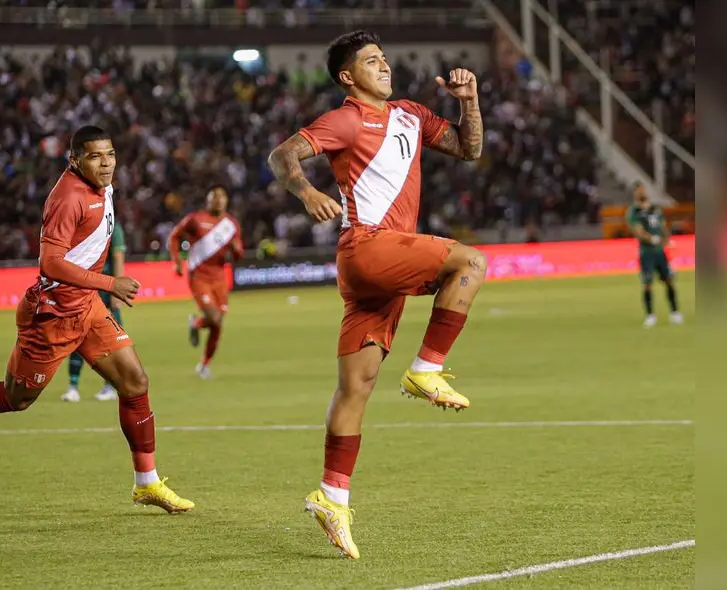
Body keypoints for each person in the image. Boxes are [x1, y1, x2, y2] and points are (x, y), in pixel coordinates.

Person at [267, 30, 487, 559]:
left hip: (381, 263)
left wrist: (470, 102)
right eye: (371, 61)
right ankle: (428, 368)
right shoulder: (345, 118)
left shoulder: (411, 112)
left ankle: (332, 496)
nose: (384, 65)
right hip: (369, 246)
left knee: (356, 388)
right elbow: (283, 155)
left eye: (385, 58)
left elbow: (468, 148)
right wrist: (307, 190)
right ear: (349, 77)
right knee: (471, 261)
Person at [0, 126, 195, 514]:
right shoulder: (68, 198)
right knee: (15, 398)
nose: (106, 163)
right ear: (74, 160)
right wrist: (110, 282)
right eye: (95, 156)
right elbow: (50, 263)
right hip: (53, 314)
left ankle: (147, 483)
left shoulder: (102, 185)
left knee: (135, 382)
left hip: (86, 306)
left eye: (110, 154)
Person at [167, 185, 244, 379]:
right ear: (208, 200)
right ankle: (197, 323)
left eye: (222, 196)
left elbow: (238, 255)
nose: (218, 200)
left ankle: (204, 364)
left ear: (226, 201)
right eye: (214, 196)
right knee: (215, 317)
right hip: (199, 276)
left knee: (217, 324)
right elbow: (174, 237)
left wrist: (236, 250)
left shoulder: (231, 224)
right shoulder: (195, 219)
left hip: (219, 278)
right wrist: (177, 260)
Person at [62, 218, 127, 402]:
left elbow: (118, 256)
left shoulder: (113, 226)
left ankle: (110, 386)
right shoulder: (81, 226)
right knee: (78, 338)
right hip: (83, 291)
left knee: (111, 342)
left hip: (105, 292)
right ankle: (73, 387)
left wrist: (116, 289)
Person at [625, 183, 683, 327]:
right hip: (647, 253)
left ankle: (675, 312)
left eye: (643, 190)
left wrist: (667, 240)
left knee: (669, 280)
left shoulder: (655, 209)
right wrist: (652, 239)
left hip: (660, 252)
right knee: (648, 284)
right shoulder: (634, 212)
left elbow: (662, 226)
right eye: (639, 191)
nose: (642, 192)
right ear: (635, 193)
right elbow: (638, 231)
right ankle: (650, 315)